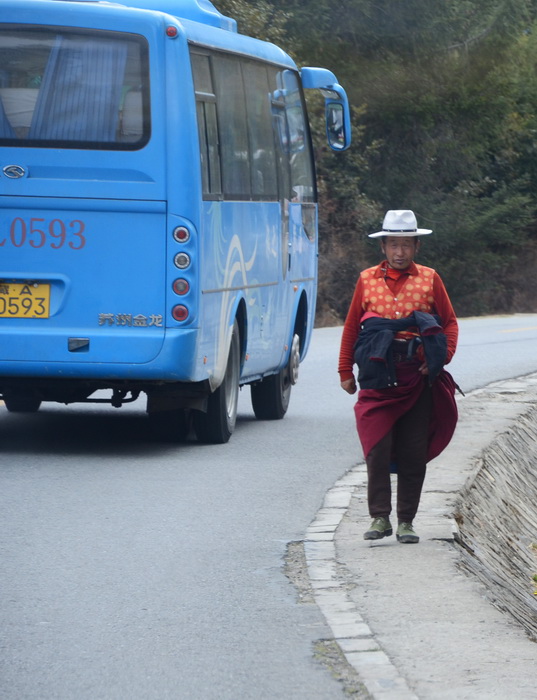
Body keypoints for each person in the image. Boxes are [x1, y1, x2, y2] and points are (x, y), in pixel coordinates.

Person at [338, 209, 458, 544]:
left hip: (416, 379)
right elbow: (351, 327)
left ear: (416, 246)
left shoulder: (430, 279)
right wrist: (345, 370)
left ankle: (406, 520)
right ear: (384, 247)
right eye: (393, 244)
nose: (399, 252)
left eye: (406, 244)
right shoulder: (366, 280)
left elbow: (448, 323)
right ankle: (379, 518)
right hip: (376, 377)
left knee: (412, 450)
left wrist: (439, 359)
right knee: (376, 449)